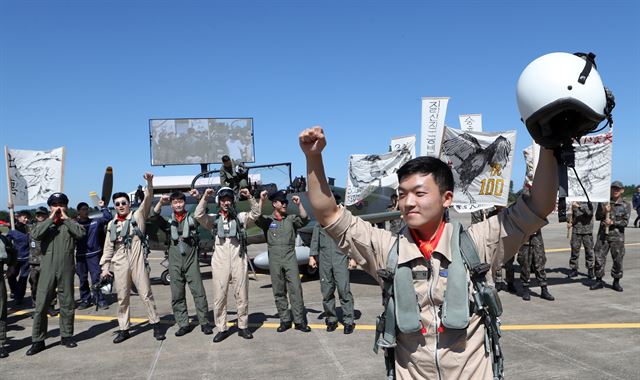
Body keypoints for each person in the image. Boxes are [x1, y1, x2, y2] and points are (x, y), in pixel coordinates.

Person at [299, 126, 558, 379]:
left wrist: (547, 144)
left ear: (447, 198)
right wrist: (313, 157)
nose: (408, 202)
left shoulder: (476, 244)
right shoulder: (387, 251)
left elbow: (538, 206)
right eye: (402, 194)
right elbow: (329, 214)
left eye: (419, 193)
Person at [100, 173, 165, 343]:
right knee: (122, 296)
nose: (121, 206)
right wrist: (105, 267)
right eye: (118, 204)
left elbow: (148, 197)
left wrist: (149, 183)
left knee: (145, 293)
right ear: (114, 206)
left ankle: (155, 324)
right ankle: (124, 328)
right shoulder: (112, 224)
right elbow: (108, 246)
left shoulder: (138, 216)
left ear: (129, 204)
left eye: (123, 203)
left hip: (137, 257)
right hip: (120, 260)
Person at [193, 187, 260, 342]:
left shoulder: (241, 218)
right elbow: (198, 215)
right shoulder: (213, 219)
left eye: (229, 199)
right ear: (219, 201)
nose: (226, 202)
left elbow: (255, 214)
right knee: (219, 297)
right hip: (220, 261)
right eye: (223, 200)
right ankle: (222, 328)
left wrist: (250, 196)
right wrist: (205, 197)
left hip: (238, 259)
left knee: (242, 295)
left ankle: (243, 327)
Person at [27, 192, 86, 355]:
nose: (58, 207)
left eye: (61, 204)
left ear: (66, 206)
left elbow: (81, 234)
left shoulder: (70, 223)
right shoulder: (45, 224)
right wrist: (51, 217)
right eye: (54, 205)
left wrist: (66, 218)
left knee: (67, 303)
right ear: (50, 207)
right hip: (47, 268)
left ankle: (66, 336)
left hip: (66, 268)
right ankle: (38, 340)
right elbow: (36, 235)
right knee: (41, 304)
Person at [149, 191, 213, 338]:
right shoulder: (168, 222)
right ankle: (183, 324)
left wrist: (199, 197)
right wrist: (160, 202)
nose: (178, 204)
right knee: (177, 294)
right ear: (171, 204)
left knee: (199, 292)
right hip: (175, 262)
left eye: (180, 202)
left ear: (184, 203)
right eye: (175, 202)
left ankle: (204, 323)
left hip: (191, 260)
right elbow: (153, 216)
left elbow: (202, 211)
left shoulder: (192, 219)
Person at [255, 190, 311, 333]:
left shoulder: (291, 219)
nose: (285, 204)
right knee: (279, 290)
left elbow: (305, 219)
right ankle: (285, 320)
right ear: (274, 204)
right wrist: (261, 200)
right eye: (282, 202)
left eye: (286, 202)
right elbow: (256, 216)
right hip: (274, 259)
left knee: (296, 289)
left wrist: (299, 205)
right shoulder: (268, 221)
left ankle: (299, 321)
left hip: (289, 257)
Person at [308, 194, 357, 334]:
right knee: (327, 292)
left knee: (344, 291)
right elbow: (315, 239)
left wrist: (353, 258)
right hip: (324, 261)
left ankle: (348, 321)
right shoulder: (321, 221)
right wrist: (312, 256)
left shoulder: (343, 221)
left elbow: (351, 241)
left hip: (340, 259)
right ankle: (331, 320)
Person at [590, 181, 631, 292]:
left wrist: (612, 222)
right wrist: (604, 210)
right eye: (613, 188)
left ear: (622, 190)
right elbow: (598, 217)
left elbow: (625, 222)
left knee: (618, 260)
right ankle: (598, 280)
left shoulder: (626, 204)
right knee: (599, 258)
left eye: (618, 189)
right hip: (603, 236)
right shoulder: (604, 202)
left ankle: (616, 282)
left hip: (617, 238)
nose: (615, 190)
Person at [75, 201, 112, 309]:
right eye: (82, 209)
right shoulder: (75, 224)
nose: (85, 211)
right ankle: (85, 300)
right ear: (78, 211)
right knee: (82, 279)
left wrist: (103, 207)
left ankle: (100, 299)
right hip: (81, 256)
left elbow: (108, 217)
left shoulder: (95, 222)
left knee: (96, 278)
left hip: (94, 255)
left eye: (86, 209)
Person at [28, 207, 58, 316]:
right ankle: (37, 308)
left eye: (42, 214)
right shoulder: (31, 227)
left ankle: (50, 306)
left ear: (47, 215)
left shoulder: (51, 227)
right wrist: (11, 208)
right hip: (34, 262)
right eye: (38, 215)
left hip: (47, 261)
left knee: (50, 286)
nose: (40, 216)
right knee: (34, 286)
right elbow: (18, 226)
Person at [516, 228, 554, 301]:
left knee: (540, 264)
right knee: (525, 265)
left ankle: (544, 289)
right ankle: (526, 289)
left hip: (537, 239)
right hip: (524, 239)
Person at [6, 208, 31, 306]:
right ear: (19, 218)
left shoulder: (29, 229)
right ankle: (15, 291)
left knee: (23, 279)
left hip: (26, 258)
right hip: (15, 259)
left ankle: (19, 297)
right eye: (25, 217)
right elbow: (6, 244)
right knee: (11, 276)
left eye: (28, 218)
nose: (26, 219)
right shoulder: (13, 229)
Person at [1, 231, 17, 358]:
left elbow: (12, 251)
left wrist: (11, 266)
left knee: (0, 310)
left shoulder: (3, 239)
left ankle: (0, 344)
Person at [569, 201, 595, 279]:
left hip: (587, 231)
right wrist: (569, 221)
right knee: (574, 251)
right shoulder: (573, 201)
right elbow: (570, 216)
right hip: (576, 230)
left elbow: (589, 213)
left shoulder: (590, 202)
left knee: (589, 251)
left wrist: (579, 206)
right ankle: (574, 269)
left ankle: (590, 269)